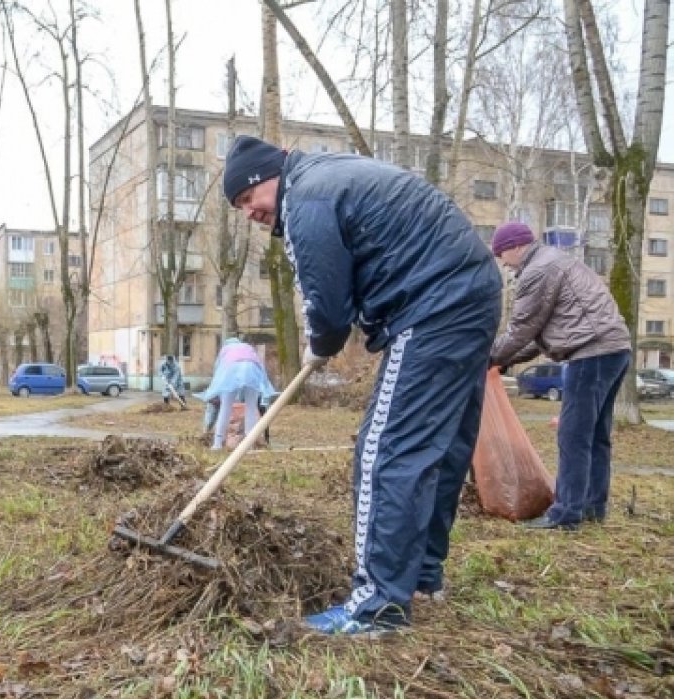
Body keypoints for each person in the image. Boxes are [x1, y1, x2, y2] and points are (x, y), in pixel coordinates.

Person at [224, 134, 502, 635]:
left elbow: (327, 301)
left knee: (386, 450)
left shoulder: (305, 197)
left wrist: (321, 340)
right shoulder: (327, 174)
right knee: (437, 447)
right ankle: (419, 577)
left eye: (248, 198)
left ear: (271, 176)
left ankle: (377, 606)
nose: (248, 212)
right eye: (240, 207)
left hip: (432, 306)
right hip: (471, 292)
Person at [488, 221, 631, 529]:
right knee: (594, 435)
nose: (502, 261)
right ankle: (593, 506)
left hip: (590, 352)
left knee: (573, 434)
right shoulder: (556, 260)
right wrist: (502, 363)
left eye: (501, 253)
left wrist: (485, 358)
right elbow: (536, 336)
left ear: (515, 246)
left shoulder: (538, 270)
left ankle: (565, 513)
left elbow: (521, 329)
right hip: (614, 349)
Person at [194, 337, 277, 450]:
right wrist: (264, 397)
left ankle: (217, 443)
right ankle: (249, 445)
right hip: (252, 370)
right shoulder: (248, 348)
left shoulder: (225, 350)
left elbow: (218, 371)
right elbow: (260, 367)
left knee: (225, 407)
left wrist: (215, 393)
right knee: (251, 408)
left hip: (231, 369)